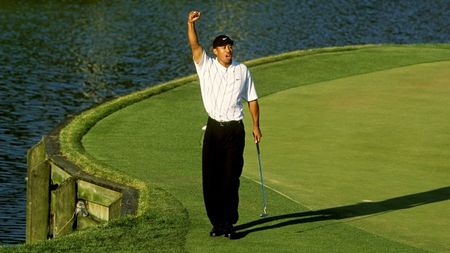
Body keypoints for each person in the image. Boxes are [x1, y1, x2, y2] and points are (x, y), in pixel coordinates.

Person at [187, 10, 262, 238]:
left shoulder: (242, 70)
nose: (228, 50)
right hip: (213, 130)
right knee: (211, 180)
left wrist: (256, 125)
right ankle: (217, 223)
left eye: (230, 46)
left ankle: (229, 223)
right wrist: (190, 24)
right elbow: (194, 45)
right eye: (223, 47)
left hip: (234, 130)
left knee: (230, 178)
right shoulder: (205, 65)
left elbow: (252, 99)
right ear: (215, 51)